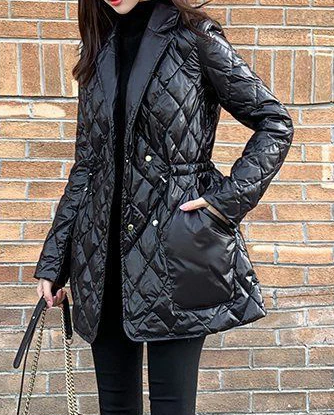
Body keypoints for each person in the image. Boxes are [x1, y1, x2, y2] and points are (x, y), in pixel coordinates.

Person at [34, 0, 294, 414]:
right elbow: (87, 166)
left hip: (176, 250)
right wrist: (55, 260)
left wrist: (224, 203)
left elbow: (274, 122)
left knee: (173, 405)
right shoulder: (98, 48)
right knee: (115, 406)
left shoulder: (195, 38)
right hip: (102, 260)